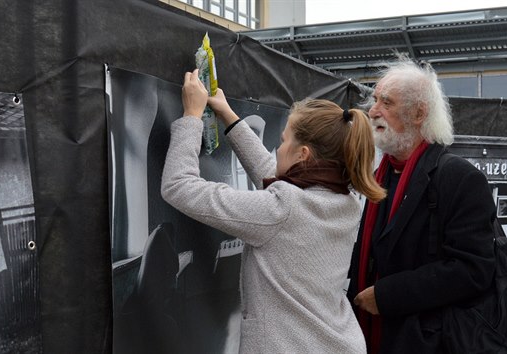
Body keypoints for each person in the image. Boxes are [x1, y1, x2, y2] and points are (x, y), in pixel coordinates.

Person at [161, 69, 386, 353]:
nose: (277, 150)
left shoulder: (282, 209)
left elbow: (178, 186)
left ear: (303, 154)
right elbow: (278, 181)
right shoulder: (345, 201)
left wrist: (192, 116)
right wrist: (229, 117)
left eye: (283, 141)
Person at [347, 56, 497, 354]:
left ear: (418, 113)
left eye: (386, 103)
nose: (373, 111)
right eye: (374, 100)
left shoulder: (459, 177)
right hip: (365, 338)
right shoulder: (379, 174)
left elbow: (474, 270)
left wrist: (388, 296)